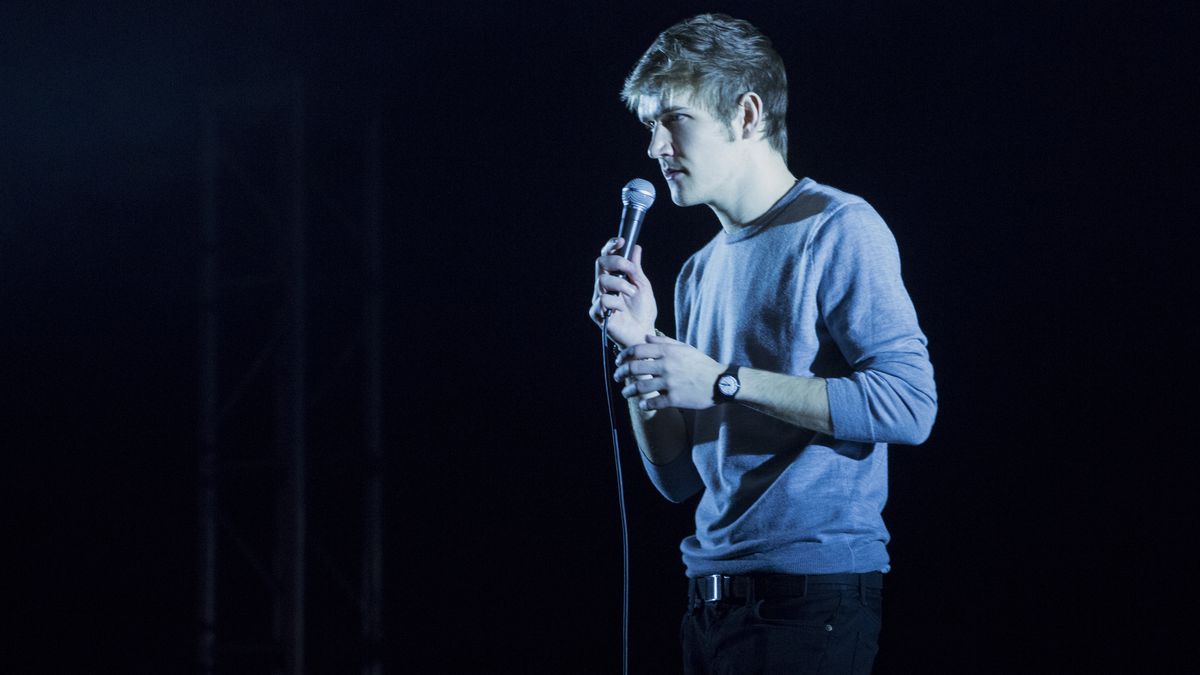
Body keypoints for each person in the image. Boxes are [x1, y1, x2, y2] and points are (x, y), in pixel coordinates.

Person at [588, 13, 937, 674]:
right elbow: (675, 477)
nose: (655, 146)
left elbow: (909, 406)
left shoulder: (839, 227)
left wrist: (723, 379)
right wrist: (638, 343)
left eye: (673, 119)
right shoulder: (695, 272)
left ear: (745, 114)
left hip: (809, 604)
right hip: (710, 603)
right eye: (649, 126)